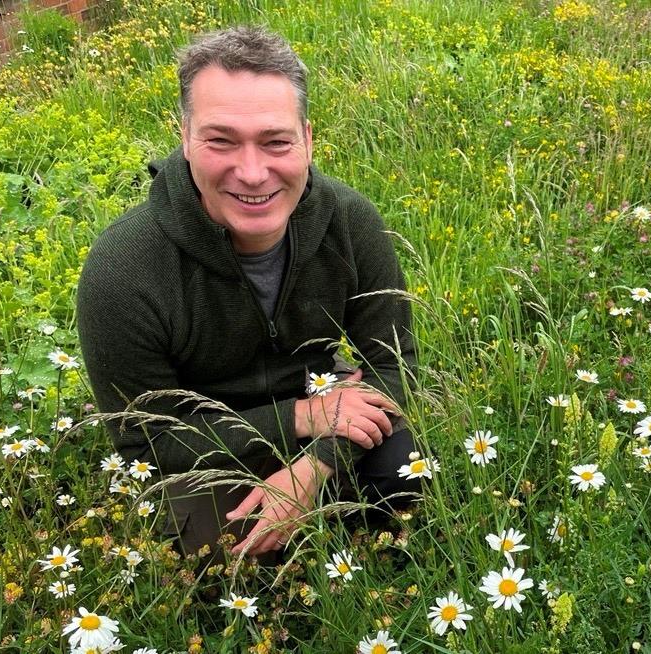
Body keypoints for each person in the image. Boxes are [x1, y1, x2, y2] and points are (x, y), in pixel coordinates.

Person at [77, 26, 418, 563]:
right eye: (221, 140)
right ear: (185, 137)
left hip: (325, 421)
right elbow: (147, 444)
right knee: (228, 551)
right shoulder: (123, 270)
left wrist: (319, 461)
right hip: (205, 445)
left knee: (406, 479)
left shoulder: (351, 222)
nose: (253, 172)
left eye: (276, 141)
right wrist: (301, 417)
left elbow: (396, 366)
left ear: (307, 138)